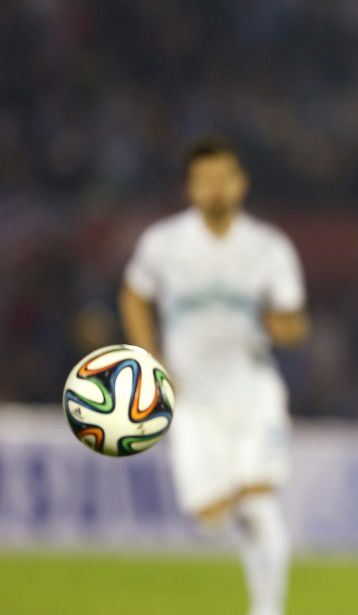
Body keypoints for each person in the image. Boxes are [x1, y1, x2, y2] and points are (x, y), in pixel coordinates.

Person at [120, 137, 309, 615]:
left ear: (241, 184)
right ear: (190, 188)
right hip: (191, 398)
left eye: (224, 178)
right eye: (204, 180)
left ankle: (268, 609)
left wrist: (285, 327)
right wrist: (149, 356)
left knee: (259, 500)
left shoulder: (268, 247)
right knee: (212, 516)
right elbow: (133, 294)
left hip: (252, 389)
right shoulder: (162, 243)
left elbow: (294, 322)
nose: (215, 188)